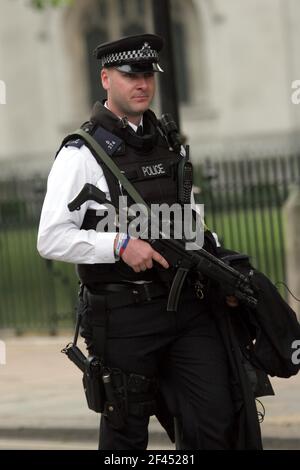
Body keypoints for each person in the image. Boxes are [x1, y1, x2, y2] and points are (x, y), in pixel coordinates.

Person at [37, 33, 268, 450]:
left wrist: (223, 271)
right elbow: (51, 238)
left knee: (217, 421)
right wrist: (119, 246)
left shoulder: (165, 142)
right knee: (126, 436)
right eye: (131, 75)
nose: (142, 83)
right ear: (106, 79)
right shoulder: (81, 154)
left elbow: (189, 221)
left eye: (148, 74)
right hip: (125, 318)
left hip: (188, 313)